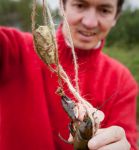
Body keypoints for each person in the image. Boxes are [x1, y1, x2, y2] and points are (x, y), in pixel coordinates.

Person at [0, 0, 138, 149]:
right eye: (80, 5)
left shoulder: (122, 81)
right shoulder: (13, 48)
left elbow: (129, 141)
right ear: (62, 6)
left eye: (104, 10)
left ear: (115, 18)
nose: (89, 22)